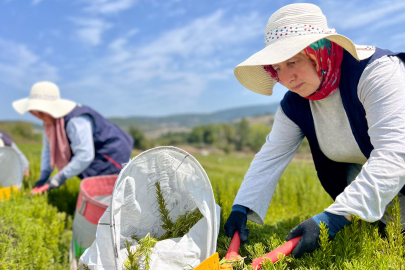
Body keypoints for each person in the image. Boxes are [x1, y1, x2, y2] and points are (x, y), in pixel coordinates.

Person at [224, 3, 405, 258]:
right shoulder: (295, 104)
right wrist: (241, 207)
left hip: (397, 169)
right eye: (277, 68)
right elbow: (270, 156)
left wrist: (332, 218)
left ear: (319, 51)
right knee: (384, 238)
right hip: (382, 185)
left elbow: (395, 154)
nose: (286, 79)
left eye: (292, 61)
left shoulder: (376, 73)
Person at [12, 81, 134, 191]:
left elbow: (85, 154)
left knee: (115, 193)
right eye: (32, 111)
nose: (36, 115)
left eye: (40, 111)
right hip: (95, 157)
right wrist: (44, 176)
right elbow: (48, 150)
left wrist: (59, 178)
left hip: (111, 155)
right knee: (99, 192)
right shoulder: (49, 123)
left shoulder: (75, 121)